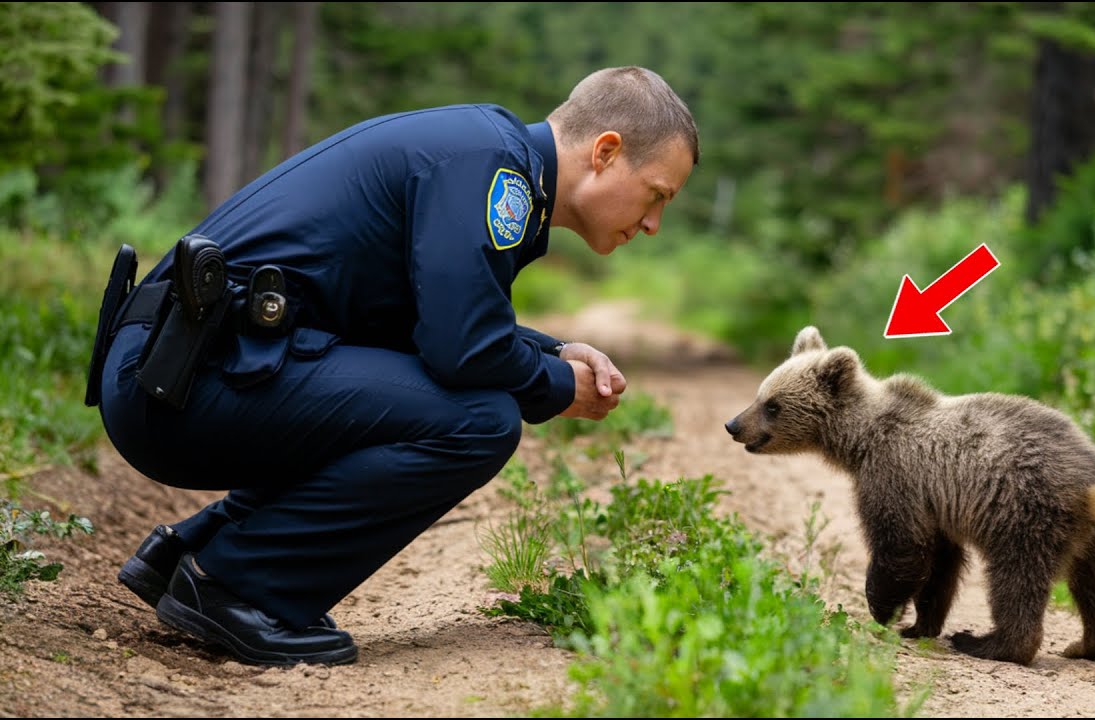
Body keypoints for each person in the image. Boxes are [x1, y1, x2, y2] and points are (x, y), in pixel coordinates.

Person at [87, 66, 699, 667]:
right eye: (657, 194)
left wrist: (552, 352)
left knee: (428, 395)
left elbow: (431, 321)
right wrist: (555, 386)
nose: (652, 224)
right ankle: (238, 585)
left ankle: (192, 551)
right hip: (179, 383)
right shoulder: (493, 169)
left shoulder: (484, 153)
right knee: (479, 420)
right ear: (606, 152)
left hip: (179, 370)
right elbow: (464, 349)